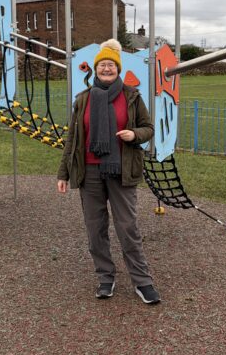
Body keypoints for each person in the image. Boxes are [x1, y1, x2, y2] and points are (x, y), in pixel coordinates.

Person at [57, 39, 160, 304]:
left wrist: (133, 134)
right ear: (95, 69)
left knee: (128, 227)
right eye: (102, 65)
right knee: (95, 228)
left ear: (118, 69)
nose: (106, 68)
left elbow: (149, 128)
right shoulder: (83, 100)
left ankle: (142, 281)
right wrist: (63, 173)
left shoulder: (132, 97)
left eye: (111, 65)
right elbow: (72, 138)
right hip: (89, 172)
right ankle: (105, 277)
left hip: (121, 170)